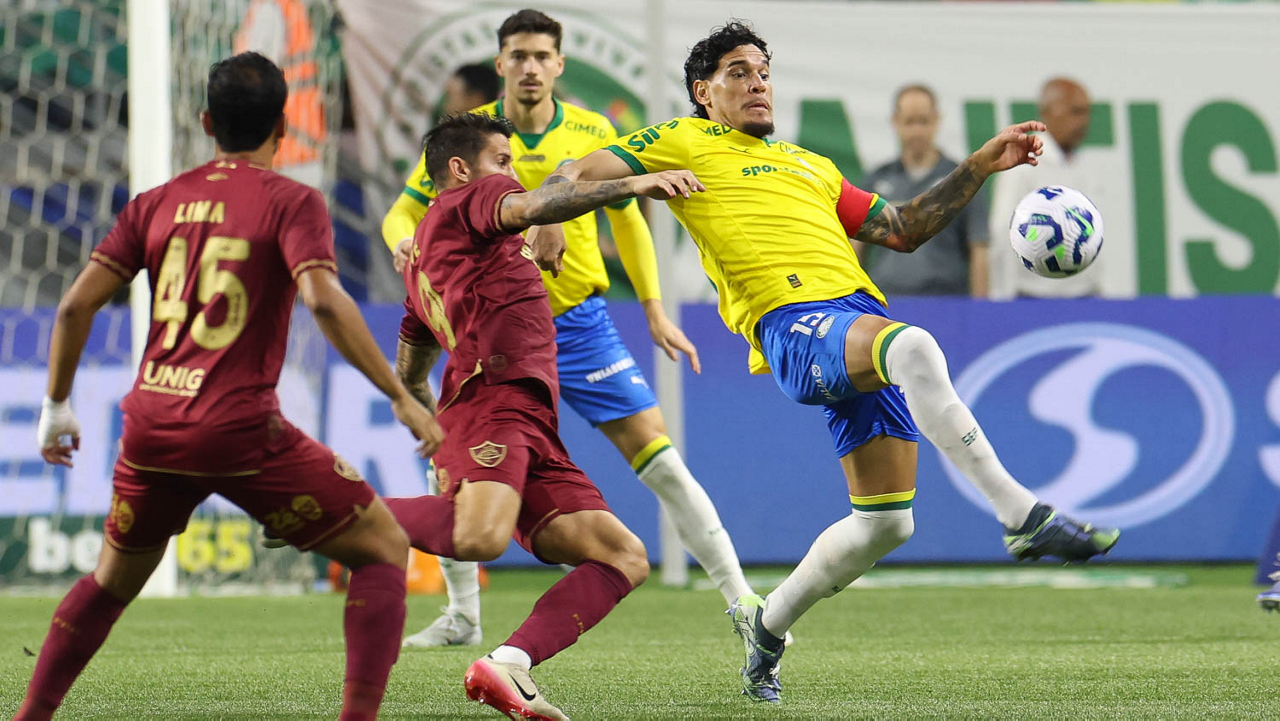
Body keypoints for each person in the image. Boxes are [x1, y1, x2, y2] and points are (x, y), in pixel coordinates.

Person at [549, 22, 1121, 704]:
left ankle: (767, 627)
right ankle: (1022, 516)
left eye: (763, 70)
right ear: (704, 92)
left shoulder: (809, 164)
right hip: (794, 325)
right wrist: (556, 213)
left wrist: (979, 163)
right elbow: (572, 172)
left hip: (852, 319)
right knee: (913, 346)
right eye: (738, 72)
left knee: (886, 522)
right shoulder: (683, 138)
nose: (757, 81)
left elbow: (903, 228)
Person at [16, 52, 442, 721]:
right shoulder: (293, 201)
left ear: (207, 122)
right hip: (239, 430)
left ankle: (29, 715)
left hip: (151, 427)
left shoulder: (154, 202)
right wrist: (399, 393)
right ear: (287, 124)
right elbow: (326, 302)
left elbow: (73, 307)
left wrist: (55, 405)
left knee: (110, 582)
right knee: (383, 548)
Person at [381, 8, 756, 649]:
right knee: (463, 485)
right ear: (501, 65)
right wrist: (409, 251)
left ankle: (741, 599)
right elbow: (406, 213)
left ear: (558, 65)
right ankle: (463, 615)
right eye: (518, 56)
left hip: (579, 324)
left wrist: (654, 307)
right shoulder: (473, 152)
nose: (530, 67)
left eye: (541, 57)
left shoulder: (588, 130)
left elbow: (629, 223)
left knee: (658, 459)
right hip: (493, 338)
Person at [380, 111, 704, 720]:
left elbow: (414, 345)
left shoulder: (425, 246)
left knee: (622, 555)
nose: (510, 172)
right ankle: (324, 505)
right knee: (479, 535)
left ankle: (508, 664)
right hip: (495, 399)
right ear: (461, 168)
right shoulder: (478, 195)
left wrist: (417, 399)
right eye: (503, 160)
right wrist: (635, 183)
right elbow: (528, 207)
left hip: (527, 418)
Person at [857, 84, 988, 297]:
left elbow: (979, 248)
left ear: (937, 120)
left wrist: (981, 310)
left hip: (947, 303)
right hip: (886, 303)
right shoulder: (875, 181)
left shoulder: (963, 180)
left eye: (924, 121)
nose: (917, 131)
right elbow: (854, 249)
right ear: (895, 121)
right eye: (909, 122)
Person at [988, 77, 1102, 299]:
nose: (1084, 121)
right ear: (1048, 112)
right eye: (1076, 112)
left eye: (1087, 113)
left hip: (1084, 296)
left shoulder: (1087, 166)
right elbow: (1002, 231)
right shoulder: (1023, 164)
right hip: (1033, 296)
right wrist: (1003, 298)